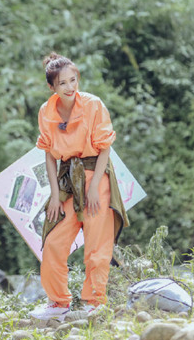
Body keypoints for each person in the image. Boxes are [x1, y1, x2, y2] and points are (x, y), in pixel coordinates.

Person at [29, 52, 129, 322]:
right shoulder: (46, 112)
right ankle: (58, 302)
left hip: (96, 176)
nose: (70, 87)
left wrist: (95, 185)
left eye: (73, 80)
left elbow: (105, 147)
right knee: (53, 241)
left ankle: (94, 302)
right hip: (67, 182)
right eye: (63, 83)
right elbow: (49, 154)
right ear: (52, 87)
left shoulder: (93, 104)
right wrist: (53, 194)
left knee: (97, 245)